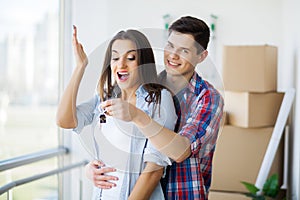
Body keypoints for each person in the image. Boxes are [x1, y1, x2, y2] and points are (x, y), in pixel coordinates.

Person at [86, 16, 224, 200]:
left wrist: (137, 115)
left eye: (184, 50)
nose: (173, 55)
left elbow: (181, 151)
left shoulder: (208, 99)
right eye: (170, 46)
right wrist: (91, 168)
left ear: (201, 56)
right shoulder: (146, 88)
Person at [56, 26, 177, 199]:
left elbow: (153, 170)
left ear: (143, 62)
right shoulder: (104, 97)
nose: (121, 64)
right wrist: (80, 67)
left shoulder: (158, 100)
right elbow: (64, 120)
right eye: (115, 58)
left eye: (130, 58)